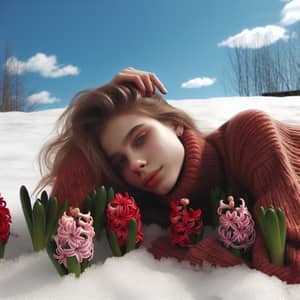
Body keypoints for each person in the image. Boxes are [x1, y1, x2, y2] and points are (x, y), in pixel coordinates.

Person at [37, 67, 300, 283]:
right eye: (119, 162)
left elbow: (290, 267)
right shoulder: (150, 209)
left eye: (140, 138)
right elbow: (63, 219)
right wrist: (92, 130)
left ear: (174, 124)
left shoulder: (249, 136)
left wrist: (190, 254)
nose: (135, 164)